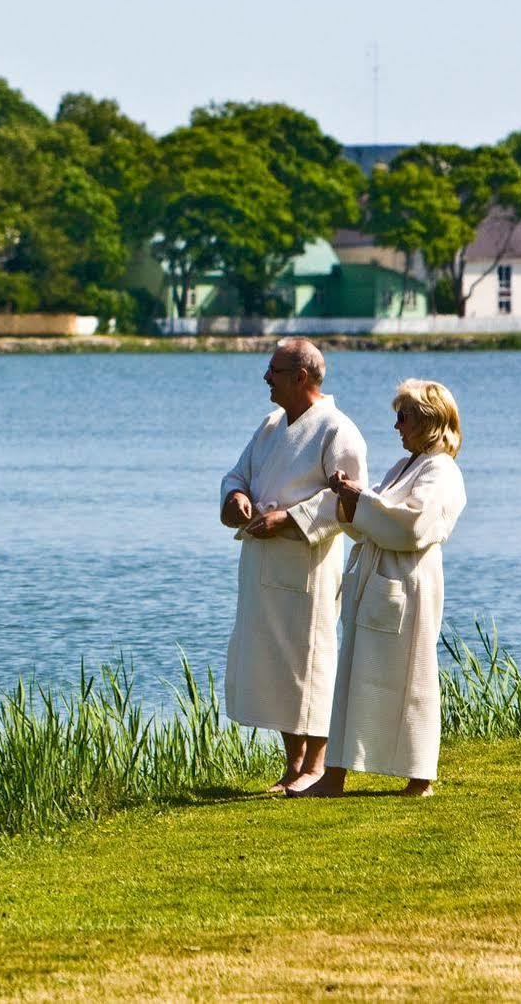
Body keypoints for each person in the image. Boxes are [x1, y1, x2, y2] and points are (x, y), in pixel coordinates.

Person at [291, 379, 467, 799]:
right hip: (377, 579)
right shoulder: (405, 466)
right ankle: (335, 775)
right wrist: (349, 500)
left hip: (408, 582)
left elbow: (413, 526)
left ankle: (419, 777)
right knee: (355, 675)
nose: (396, 426)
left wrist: (360, 499)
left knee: (412, 678)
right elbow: (372, 518)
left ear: (427, 421)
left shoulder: (441, 471)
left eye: (402, 417)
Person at [219, 338, 368, 794]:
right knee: (274, 663)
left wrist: (288, 517)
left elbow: (347, 498)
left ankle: (317, 765)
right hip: (261, 564)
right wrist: (236, 497)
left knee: (310, 660)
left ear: (300, 377)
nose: (266, 378)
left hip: (308, 564)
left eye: (274, 371)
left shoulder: (338, 430)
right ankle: (293, 764)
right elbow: (237, 474)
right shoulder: (269, 425)